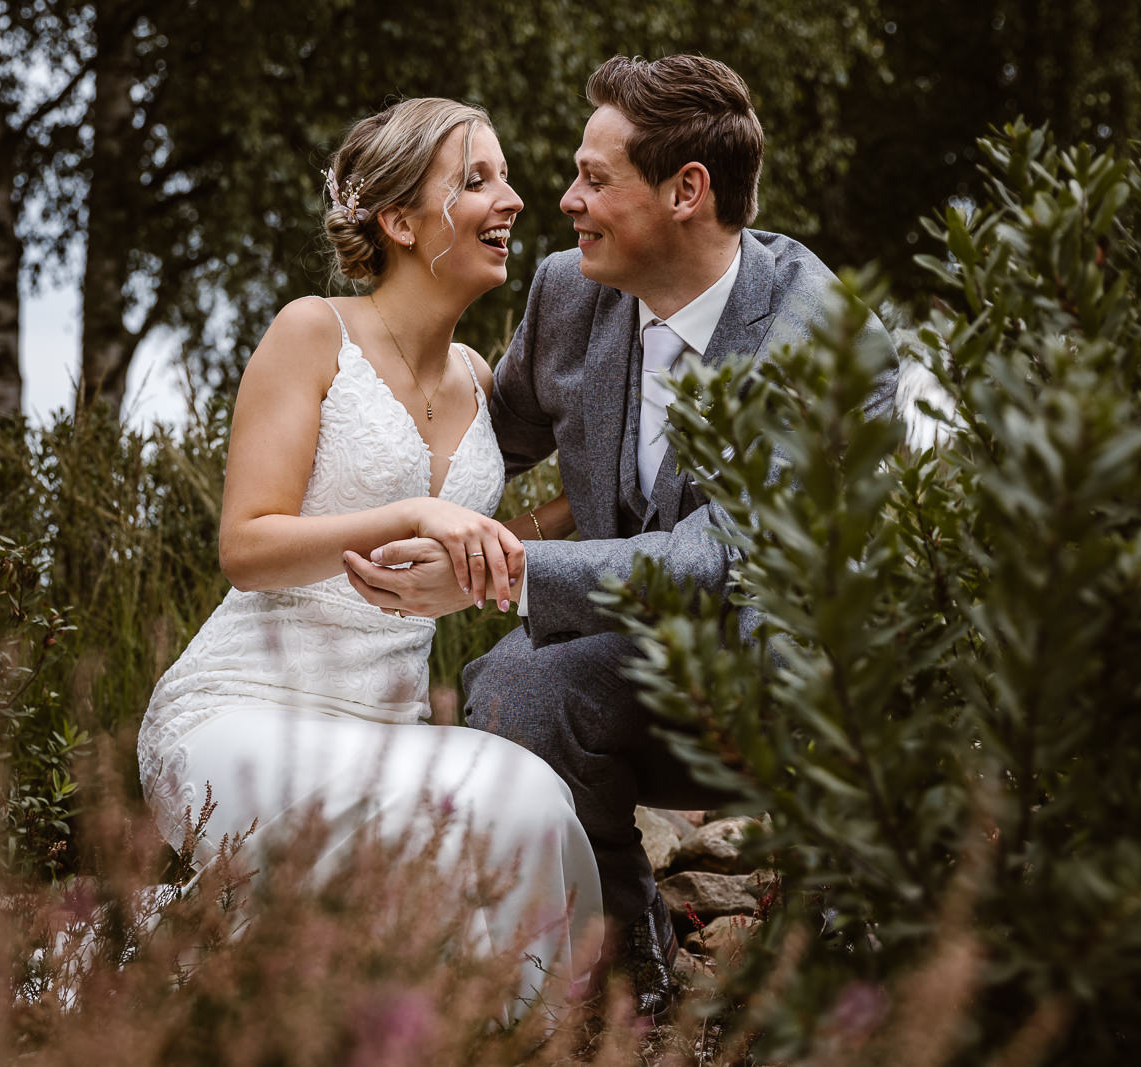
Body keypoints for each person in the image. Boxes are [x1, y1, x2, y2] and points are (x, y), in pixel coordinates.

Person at [344, 56, 898, 1017]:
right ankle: (626, 950)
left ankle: (828, 957)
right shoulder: (571, 294)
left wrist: (491, 569)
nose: (565, 201)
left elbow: (711, 561)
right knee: (515, 683)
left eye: (597, 180)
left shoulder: (815, 332)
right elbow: (489, 439)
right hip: (640, 664)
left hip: (794, 680)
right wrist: (353, 386)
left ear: (689, 191)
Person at [135, 97, 602, 1012]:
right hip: (243, 711)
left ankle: (489, 1032)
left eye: (505, 176)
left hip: (389, 731)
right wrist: (416, 509)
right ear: (397, 221)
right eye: (476, 180)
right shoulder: (313, 332)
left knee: (533, 800)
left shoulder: (479, 376)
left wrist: (603, 505)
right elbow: (246, 545)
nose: (512, 199)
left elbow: (488, 539)